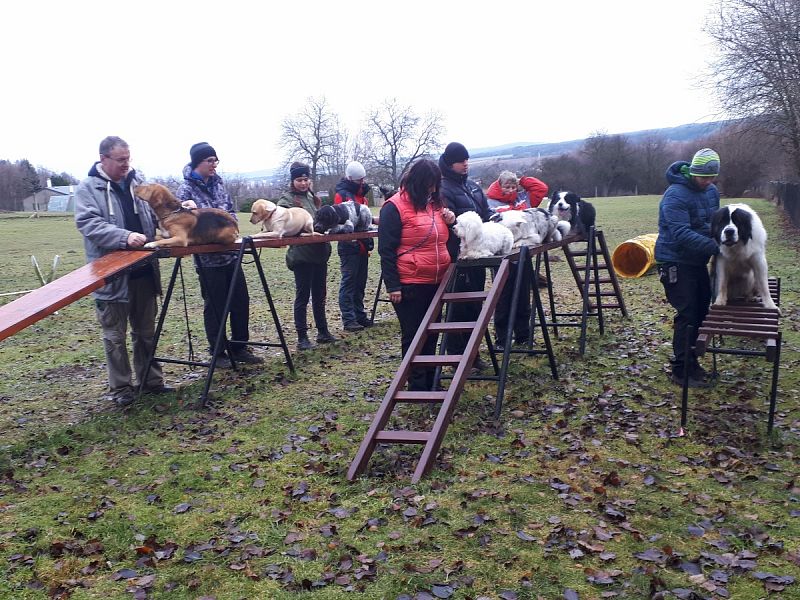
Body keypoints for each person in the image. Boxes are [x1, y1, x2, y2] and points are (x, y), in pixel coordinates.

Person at [74, 136, 173, 407]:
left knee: (146, 332)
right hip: (111, 276)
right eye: (120, 160)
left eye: (128, 159)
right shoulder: (88, 188)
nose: (126, 165)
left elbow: (155, 214)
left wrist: (178, 212)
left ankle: (151, 382)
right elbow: (88, 223)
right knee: (114, 337)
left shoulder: (137, 184)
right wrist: (124, 236)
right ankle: (121, 389)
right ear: (103, 158)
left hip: (143, 272)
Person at [176, 143, 263, 369]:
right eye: (210, 161)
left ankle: (239, 346)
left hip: (231, 255)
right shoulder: (185, 190)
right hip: (207, 259)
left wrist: (229, 227)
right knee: (215, 305)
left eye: (216, 160)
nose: (214, 165)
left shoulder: (219, 185)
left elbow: (230, 212)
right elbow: (185, 222)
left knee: (240, 300)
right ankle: (218, 351)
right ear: (198, 162)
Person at [378, 159, 455, 390]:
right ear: (417, 182)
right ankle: (417, 384)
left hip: (437, 280)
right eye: (429, 185)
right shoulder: (393, 207)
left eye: (435, 185)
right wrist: (393, 286)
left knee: (432, 333)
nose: (432, 190)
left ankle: (431, 380)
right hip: (409, 281)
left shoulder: (435, 205)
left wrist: (451, 222)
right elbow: (386, 250)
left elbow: (442, 238)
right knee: (414, 334)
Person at [655, 147, 721, 387]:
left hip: (697, 261)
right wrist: (717, 248)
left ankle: (693, 365)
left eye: (711, 177)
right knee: (687, 313)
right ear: (693, 172)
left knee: (702, 312)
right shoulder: (675, 195)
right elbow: (681, 233)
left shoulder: (712, 191)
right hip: (675, 261)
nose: (707, 181)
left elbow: (715, 224)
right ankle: (681, 370)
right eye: (703, 176)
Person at [438, 142, 491, 370]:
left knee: (475, 304)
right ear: (451, 163)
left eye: (467, 160)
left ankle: (473, 352)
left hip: (478, 254)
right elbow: (450, 223)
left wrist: (495, 220)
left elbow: (484, 212)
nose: (466, 164)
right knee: (459, 306)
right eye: (461, 161)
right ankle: (458, 355)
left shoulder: (472, 187)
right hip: (458, 256)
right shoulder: (444, 189)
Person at [486, 171, 549, 349]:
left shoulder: (523, 199)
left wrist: (521, 180)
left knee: (523, 296)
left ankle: (523, 334)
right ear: (499, 185)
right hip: (503, 256)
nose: (511, 190)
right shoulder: (491, 203)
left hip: (523, 253)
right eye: (507, 186)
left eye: (514, 186)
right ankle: (502, 338)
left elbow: (541, 188)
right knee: (503, 297)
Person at [279, 162, 337, 350]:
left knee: (319, 294)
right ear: (292, 180)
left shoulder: (313, 198)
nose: (303, 183)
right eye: (299, 180)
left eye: (306, 179)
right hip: (302, 255)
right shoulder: (286, 200)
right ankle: (302, 336)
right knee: (302, 296)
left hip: (320, 253)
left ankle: (323, 331)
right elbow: (282, 224)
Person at [334, 160, 374, 331]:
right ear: (351, 178)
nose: (362, 183)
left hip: (363, 245)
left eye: (363, 180)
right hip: (349, 246)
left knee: (360, 283)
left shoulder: (361, 196)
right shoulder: (342, 196)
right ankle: (349, 319)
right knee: (349, 283)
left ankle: (359, 315)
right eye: (359, 180)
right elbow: (340, 220)